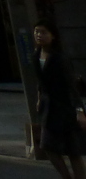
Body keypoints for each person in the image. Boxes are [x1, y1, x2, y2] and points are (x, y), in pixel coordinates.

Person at [34, 20, 86, 179]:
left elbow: (71, 86)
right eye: (37, 32)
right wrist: (38, 98)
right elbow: (41, 81)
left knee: (73, 151)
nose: (39, 35)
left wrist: (80, 111)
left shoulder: (60, 58)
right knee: (47, 146)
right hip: (49, 109)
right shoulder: (36, 55)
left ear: (53, 36)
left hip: (66, 108)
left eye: (43, 32)